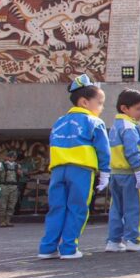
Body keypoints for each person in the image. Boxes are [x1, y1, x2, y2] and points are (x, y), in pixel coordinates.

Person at [38, 74, 111, 259]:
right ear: (85, 102)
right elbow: (103, 149)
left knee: (56, 209)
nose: (101, 108)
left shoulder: (59, 122)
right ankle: (69, 249)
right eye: (100, 103)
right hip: (81, 171)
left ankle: (47, 248)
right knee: (77, 209)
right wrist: (105, 172)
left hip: (57, 170)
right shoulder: (94, 121)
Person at [105, 89, 140, 252]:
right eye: (138, 109)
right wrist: (139, 170)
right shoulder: (129, 126)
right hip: (130, 174)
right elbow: (132, 151)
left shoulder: (115, 127)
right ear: (125, 108)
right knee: (134, 207)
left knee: (116, 208)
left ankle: (113, 241)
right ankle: (133, 239)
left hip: (115, 174)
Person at [0, 151, 23, 227]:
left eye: (14, 157)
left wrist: (20, 173)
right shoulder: (1, 165)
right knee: (2, 205)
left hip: (14, 187)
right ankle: (2, 221)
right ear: (7, 157)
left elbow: (21, 176)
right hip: (3, 186)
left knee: (11, 205)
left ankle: (8, 220)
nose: (12, 158)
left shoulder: (17, 166)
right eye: (11, 156)